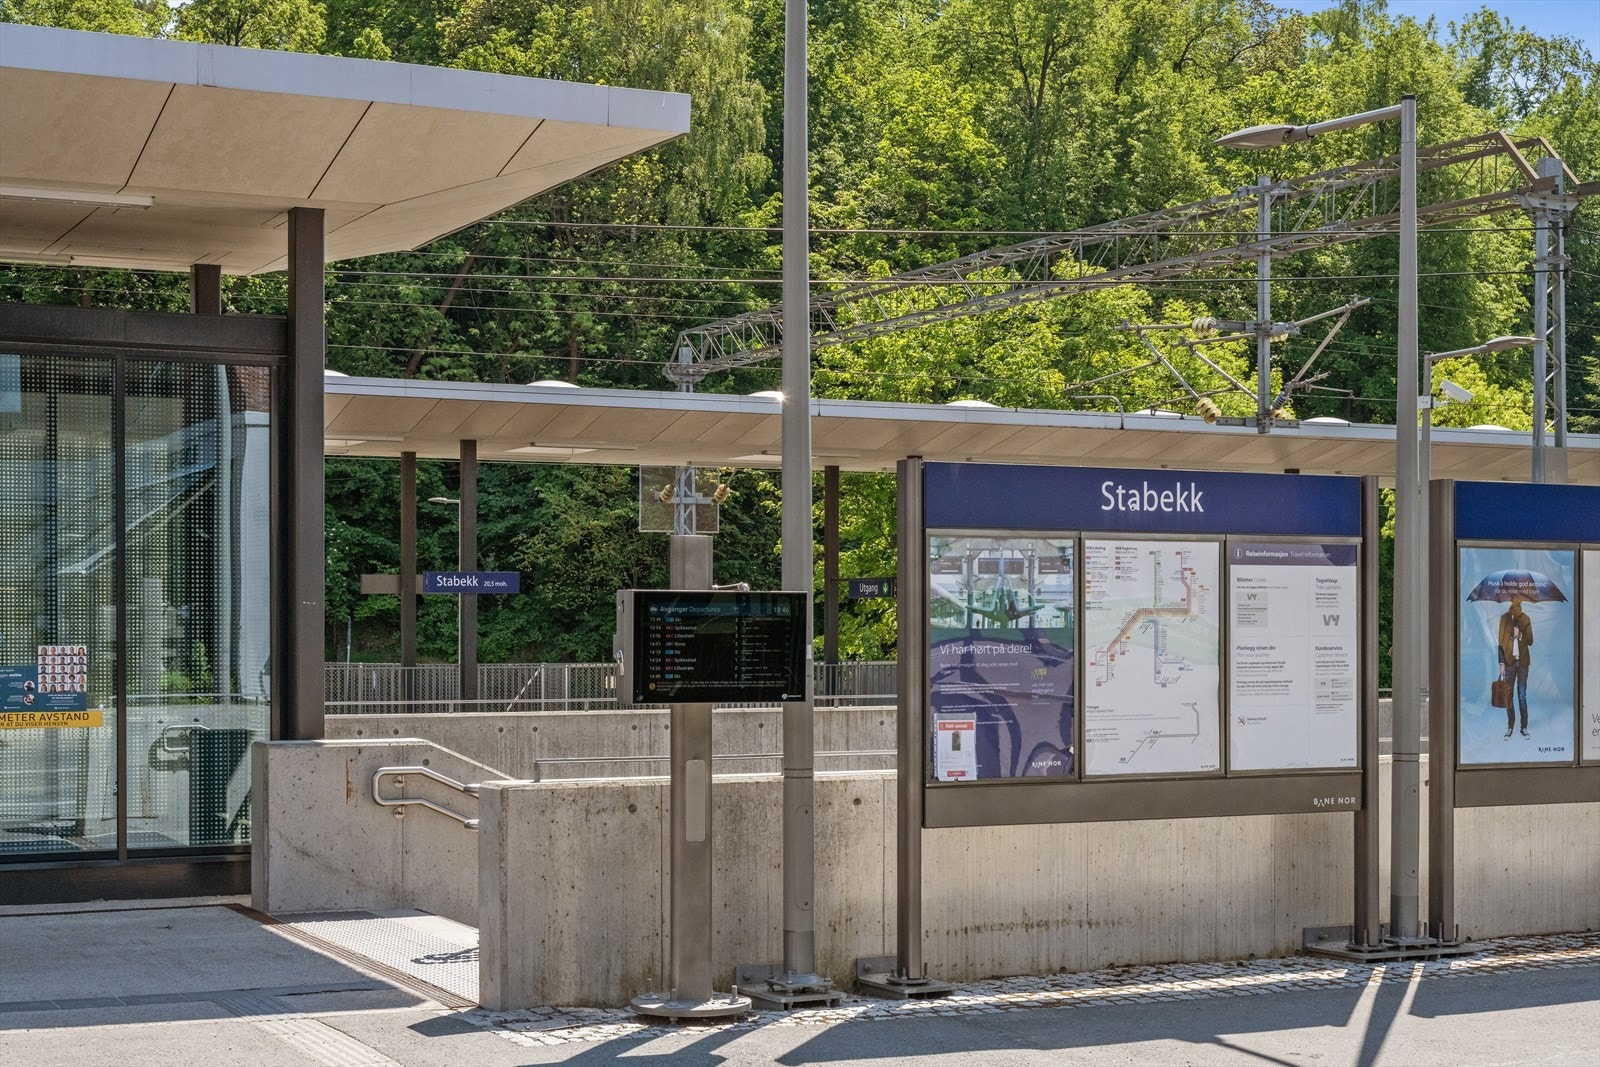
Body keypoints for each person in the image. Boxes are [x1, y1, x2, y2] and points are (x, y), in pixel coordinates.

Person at [1498, 598, 1534, 739]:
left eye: (1518, 603)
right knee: (1508, 695)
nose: (1516, 605)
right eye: (1514, 602)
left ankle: (1524, 727)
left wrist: (1520, 635)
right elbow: (1500, 643)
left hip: (1523, 663)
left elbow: (1531, 641)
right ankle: (1510, 726)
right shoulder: (1504, 619)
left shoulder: (1525, 619)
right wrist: (1501, 663)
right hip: (1508, 663)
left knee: (1522, 695)